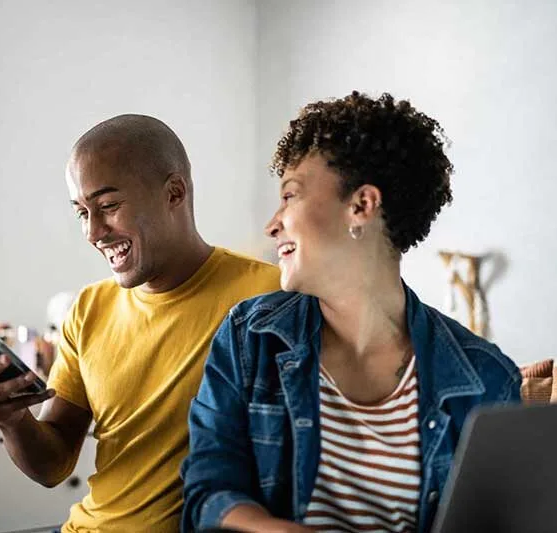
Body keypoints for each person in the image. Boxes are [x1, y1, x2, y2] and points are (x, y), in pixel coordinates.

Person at [181, 92, 522, 533]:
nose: (273, 223)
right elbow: (206, 495)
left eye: (290, 196)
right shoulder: (249, 337)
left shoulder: (487, 377)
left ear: (361, 206)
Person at [0, 114, 280, 532]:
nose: (93, 232)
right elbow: (53, 466)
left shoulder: (267, 297)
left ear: (174, 193)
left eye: (108, 206)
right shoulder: (89, 308)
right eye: (81, 212)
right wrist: (11, 420)